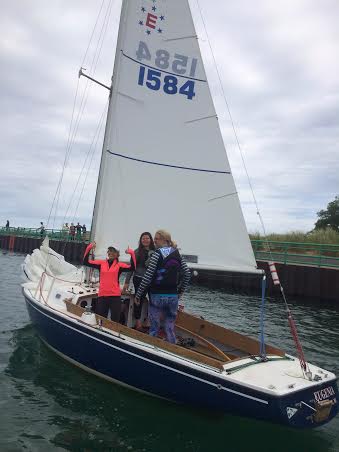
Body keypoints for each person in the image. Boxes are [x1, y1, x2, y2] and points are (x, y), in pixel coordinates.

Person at [135, 230, 190, 343]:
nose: (154, 240)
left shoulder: (157, 254)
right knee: (169, 326)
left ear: (165, 240)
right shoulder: (177, 253)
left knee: (154, 325)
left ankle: (152, 345)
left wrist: (139, 294)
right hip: (173, 296)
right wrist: (180, 291)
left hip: (157, 295)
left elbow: (148, 276)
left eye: (156, 238)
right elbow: (187, 274)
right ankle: (171, 346)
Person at [83, 241, 136, 322]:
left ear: (117, 254)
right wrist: (89, 247)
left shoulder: (119, 265)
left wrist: (132, 253)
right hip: (102, 296)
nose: (111, 252)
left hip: (115, 296)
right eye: (109, 251)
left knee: (115, 320)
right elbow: (85, 262)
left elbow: (133, 267)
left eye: (113, 251)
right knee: (100, 320)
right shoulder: (101, 263)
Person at [123, 232, 155, 330]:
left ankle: (149, 321)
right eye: (143, 238)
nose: (145, 240)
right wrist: (127, 282)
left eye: (147, 238)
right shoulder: (136, 252)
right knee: (138, 300)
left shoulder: (155, 252)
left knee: (153, 300)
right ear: (140, 240)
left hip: (152, 280)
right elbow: (131, 268)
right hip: (139, 279)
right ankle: (138, 322)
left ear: (151, 240)